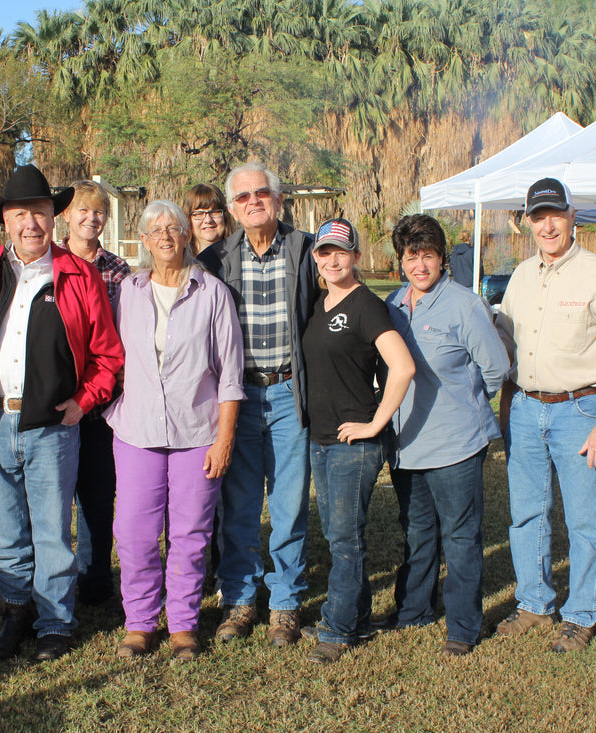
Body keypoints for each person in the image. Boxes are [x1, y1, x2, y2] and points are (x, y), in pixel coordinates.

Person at [0, 164, 124, 662]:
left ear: (53, 217)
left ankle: (56, 623)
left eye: (40, 212)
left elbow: (109, 355)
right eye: (21, 213)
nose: (31, 223)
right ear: (5, 220)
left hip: (52, 427)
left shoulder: (78, 274)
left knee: (51, 532)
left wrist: (83, 402)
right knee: (2, 532)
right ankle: (15, 610)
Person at [495, 177, 596, 653]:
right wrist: (505, 412)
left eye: (555, 214)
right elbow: (505, 350)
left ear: (572, 216)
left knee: (583, 518)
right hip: (524, 406)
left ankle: (580, 614)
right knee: (526, 515)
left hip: (581, 410)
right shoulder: (519, 276)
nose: (548, 225)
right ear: (528, 223)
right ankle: (535, 603)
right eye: (538, 217)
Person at [106, 200, 244, 661]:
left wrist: (224, 440)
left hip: (197, 433)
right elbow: (109, 353)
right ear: (143, 240)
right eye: (155, 230)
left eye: (174, 228)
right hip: (137, 432)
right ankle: (141, 622)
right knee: (134, 533)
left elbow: (229, 376)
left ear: (188, 236)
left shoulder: (213, 293)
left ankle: (183, 624)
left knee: (190, 533)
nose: (165, 236)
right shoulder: (128, 291)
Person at [197, 161, 320, 647]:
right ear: (232, 207)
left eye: (261, 193)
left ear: (278, 197)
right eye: (243, 197)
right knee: (240, 503)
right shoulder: (214, 259)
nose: (253, 202)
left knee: (289, 505)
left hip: (291, 392)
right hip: (237, 397)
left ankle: (285, 603)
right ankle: (240, 599)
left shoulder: (306, 250)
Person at [383, 214, 510, 656]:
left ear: (442, 259)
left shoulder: (464, 305)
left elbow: (495, 368)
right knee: (417, 533)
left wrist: (467, 405)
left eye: (429, 255)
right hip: (406, 445)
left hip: (456, 444)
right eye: (411, 256)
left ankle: (463, 626)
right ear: (401, 261)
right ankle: (414, 610)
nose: (420, 265)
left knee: (460, 537)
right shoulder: (393, 306)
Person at [300, 218, 414, 664]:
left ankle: (340, 626)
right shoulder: (317, 303)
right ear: (316, 258)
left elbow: (402, 367)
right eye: (324, 252)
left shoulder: (366, 306)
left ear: (357, 258)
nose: (332, 260)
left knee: (346, 539)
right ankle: (359, 616)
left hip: (354, 443)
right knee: (335, 533)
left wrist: (374, 425)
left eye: (341, 252)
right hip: (322, 438)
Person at [59, 179, 131, 608]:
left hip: (101, 400)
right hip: (54, 398)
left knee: (98, 496)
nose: (92, 218)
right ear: (66, 216)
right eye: (83, 210)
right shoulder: (45, 262)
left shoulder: (117, 270)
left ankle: (95, 580)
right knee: (52, 499)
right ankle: (51, 582)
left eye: (99, 211)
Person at [183, 183, 234, 254]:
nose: (208, 220)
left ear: (225, 216)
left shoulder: (240, 256)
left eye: (214, 212)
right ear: (188, 219)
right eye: (199, 214)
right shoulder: (179, 261)